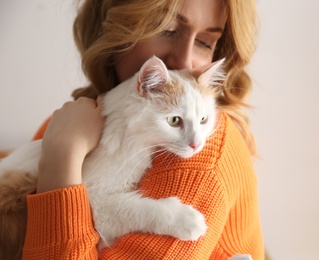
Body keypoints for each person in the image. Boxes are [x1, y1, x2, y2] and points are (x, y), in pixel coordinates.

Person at [23, 0, 265, 259]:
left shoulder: (201, 159)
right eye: (167, 29)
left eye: (206, 42)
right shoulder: (62, 124)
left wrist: (62, 159)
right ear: (113, 29)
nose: (183, 60)